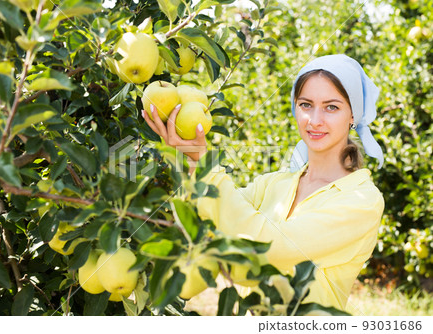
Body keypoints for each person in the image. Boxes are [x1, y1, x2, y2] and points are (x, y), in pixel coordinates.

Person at [142, 54, 385, 311]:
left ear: (352, 116)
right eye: (305, 104)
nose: (314, 120)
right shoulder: (272, 184)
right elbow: (206, 226)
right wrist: (186, 158)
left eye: (331, 107)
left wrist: (204, 165)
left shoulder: (361, 201)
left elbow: (269, 249)